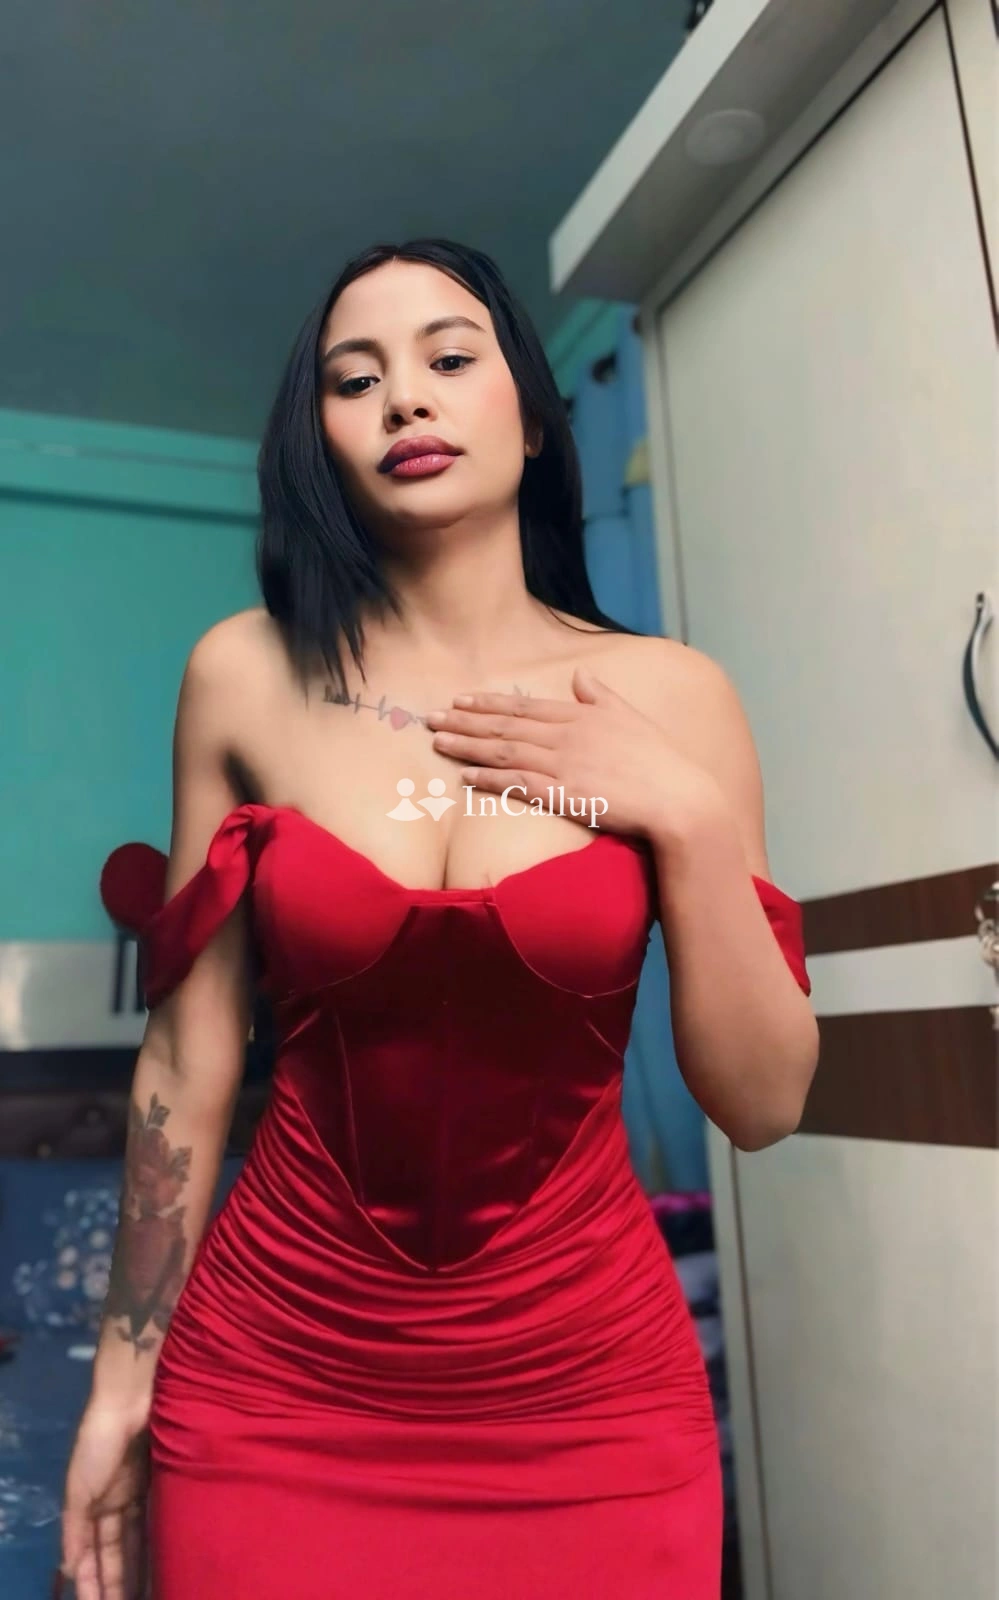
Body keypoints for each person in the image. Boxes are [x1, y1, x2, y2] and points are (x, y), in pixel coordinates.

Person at [57, 237, 819, 1599]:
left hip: (589, 1401)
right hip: (273, 1384)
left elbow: (762, 1104)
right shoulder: (241, 675)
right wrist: (122, 1383)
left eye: (449, 358)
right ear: (323, 445)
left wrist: (688, 819)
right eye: (356, 380)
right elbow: (184, 1062)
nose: (405, 396)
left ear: (532, 420)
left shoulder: (673, 694)